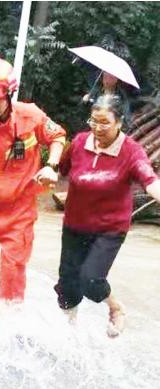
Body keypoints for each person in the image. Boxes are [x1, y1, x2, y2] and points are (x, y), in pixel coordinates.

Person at [54, 94, 160, 337]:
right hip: (74, 224)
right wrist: (48, 172)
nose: (97, 128)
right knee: (68, 286)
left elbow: (150, 180)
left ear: (119, 122)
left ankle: (116, 308)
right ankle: (69, 334)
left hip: (109, 229)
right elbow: (63, 168)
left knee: (91, 281)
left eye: (104, 123)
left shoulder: (131, 152)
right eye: (93, 122)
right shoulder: (80, 142)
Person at [0, 55, 67, 303]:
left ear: (9, 94)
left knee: (13, 275)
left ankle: (12, 326)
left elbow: (57, 136)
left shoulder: (29, 115)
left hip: (19, 212)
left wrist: (51, 166)